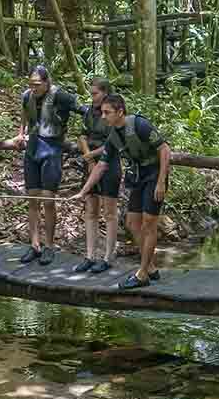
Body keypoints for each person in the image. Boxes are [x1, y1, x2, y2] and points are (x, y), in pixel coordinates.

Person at [99, 93, 171, 289]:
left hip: (154, 175)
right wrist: (83, 191)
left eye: (107, 112)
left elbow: (164, 150)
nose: (103, 116)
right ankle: (151, 267)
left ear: (120, 112)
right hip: (138, 176)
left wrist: (161, 182)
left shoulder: (139, 125)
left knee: (149, 224)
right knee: (132, 223)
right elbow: (102, 164)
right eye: (102, 112)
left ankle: (142, 274)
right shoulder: (113, 134)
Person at [15, 65, 80, 266]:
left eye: (37, 84)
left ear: (46, 82)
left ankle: (49, 246)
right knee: (32, 199)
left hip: (52, 149)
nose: (33, 87)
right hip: (33, 149)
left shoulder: (59, 96)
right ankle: (34, 244)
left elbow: (82, 109)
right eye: (30, 84)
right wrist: (21, 132)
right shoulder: (27, 96)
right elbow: (25, 115)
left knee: (48, 200)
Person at [70, 78, 119, 275]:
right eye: (91, 94)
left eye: (95, 93)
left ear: (105, 93)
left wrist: (93, 155)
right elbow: (81, 135)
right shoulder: (90, 111)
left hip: (109, 164)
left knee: (109, 212)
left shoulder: (114, 110)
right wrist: (89, 159)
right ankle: (90, 256)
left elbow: (113, 141)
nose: (92, 97)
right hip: (90, 163)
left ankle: (108, 256)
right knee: (90, 210)